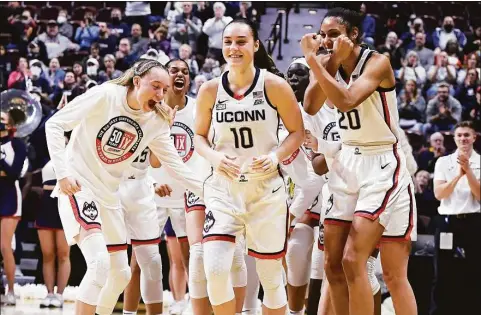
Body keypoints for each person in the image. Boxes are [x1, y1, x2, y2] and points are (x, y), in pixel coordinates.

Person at [45, 58, 204, 315]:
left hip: (110, 195)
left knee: (120, 273)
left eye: (164, 90)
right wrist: (62, 174)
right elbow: (54, 124)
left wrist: (214, 193)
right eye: (155, 86)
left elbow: (177, 167)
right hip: (79, 185)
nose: (161, 95)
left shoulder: (156, 121)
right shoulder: (105, 95)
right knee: (99, 265)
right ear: (137, 81)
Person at [301, 7, 417, 315]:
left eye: (334, 35)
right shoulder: (328, 62)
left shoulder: (378, 62)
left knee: (356, 260)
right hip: (347, 159)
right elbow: (311, 106)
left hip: (380, 162)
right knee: (333, 264)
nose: (326, 41)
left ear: (354, 35)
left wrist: (314, 60)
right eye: (323, 36)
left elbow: (347, 99)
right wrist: (326, 61)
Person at [194, 18, 305, 315]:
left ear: (255, 45)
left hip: (265, 191)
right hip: (224, 189)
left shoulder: (274, 85)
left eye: (241, 41)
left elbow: (297, 133)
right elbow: (199, 138)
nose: (233, 47)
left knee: (270, 276)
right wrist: (216, 158)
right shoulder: (209, 90)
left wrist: (273, 157)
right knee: (215, 270)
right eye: (228, 41)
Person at [433, 121, 480, 315]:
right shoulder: (443, 162)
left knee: (474, 270)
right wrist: (458, 176)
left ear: (474, 137)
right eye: (459, 135)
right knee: (443, 272)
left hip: (474, 222)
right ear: (454, 138)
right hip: (448, 223)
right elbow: (439, 194)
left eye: (467, 135)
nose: (463, 139)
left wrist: (468, 171)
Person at [35, 135, 71, 309]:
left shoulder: (74, 160)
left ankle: (60, 294)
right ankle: (49, 293)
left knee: (63, 254)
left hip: (65, 204)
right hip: (46, 205)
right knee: (47, 254)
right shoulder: (47, 158)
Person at [0, 112, 28, 306]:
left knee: (4, 246)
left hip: (9, 195)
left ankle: (11, 290)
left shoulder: (17, 144)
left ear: (10, 123)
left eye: (2, 119)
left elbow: (14, 173)